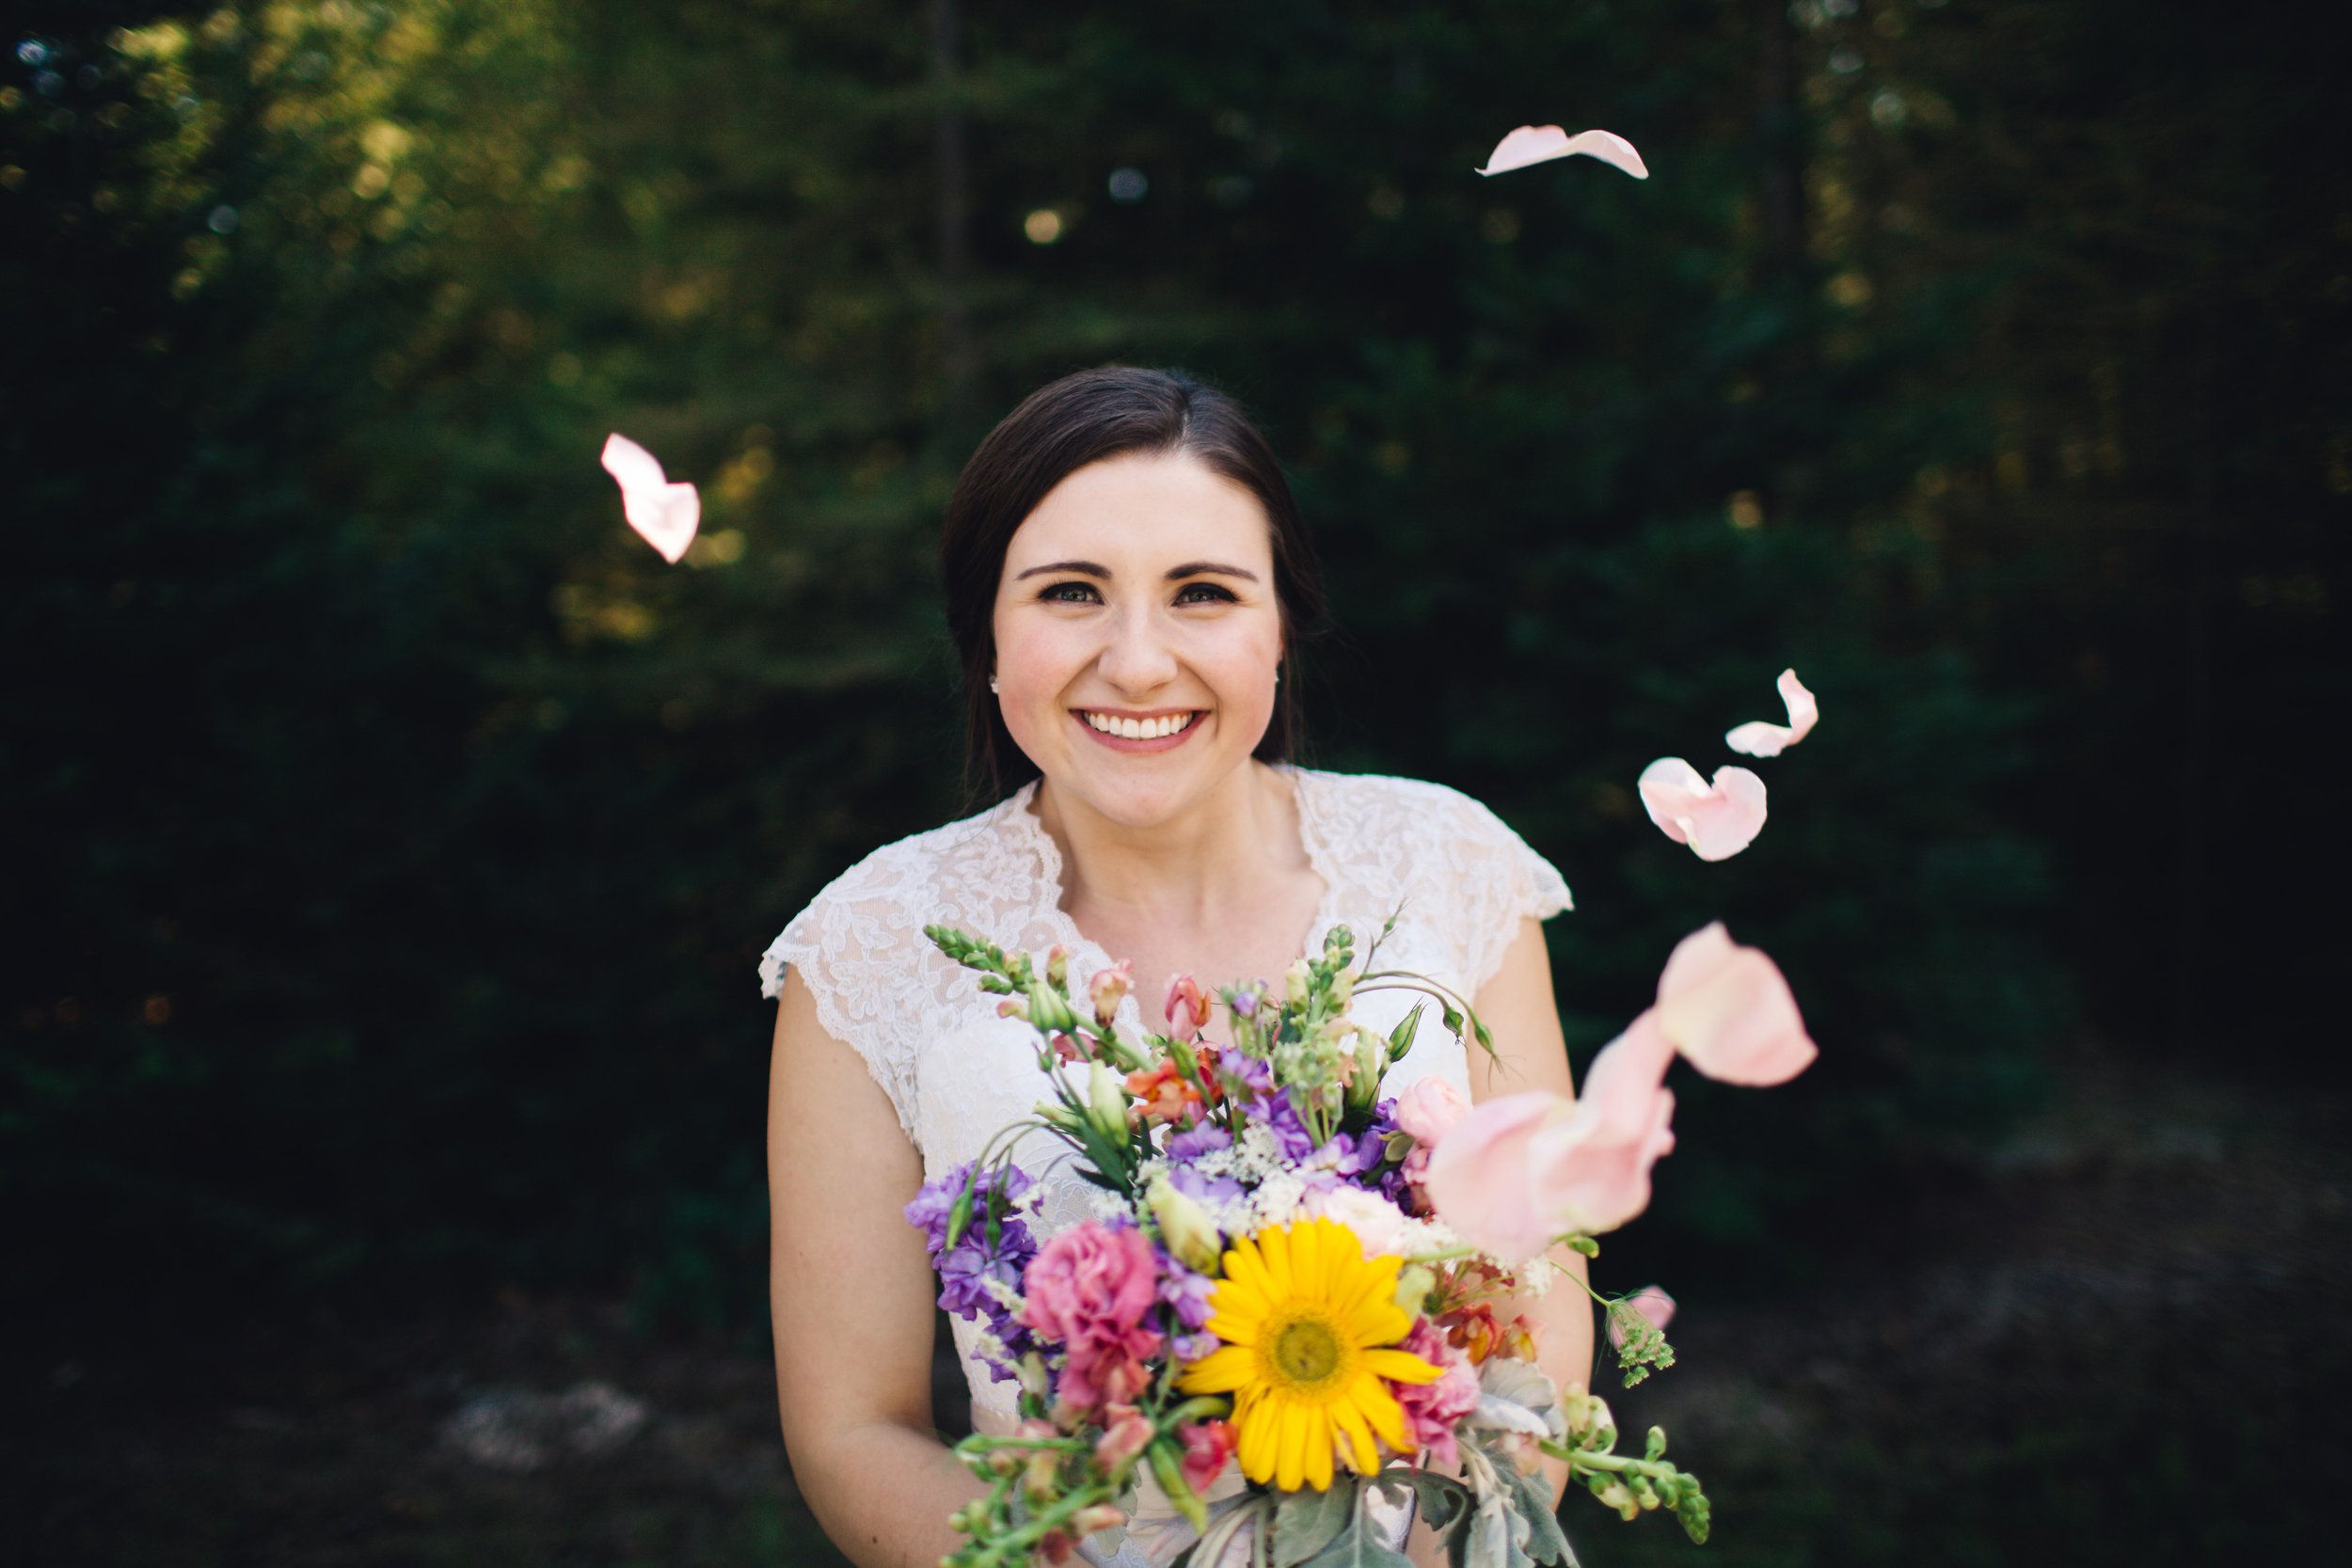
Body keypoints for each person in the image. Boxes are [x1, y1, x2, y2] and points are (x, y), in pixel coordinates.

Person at [764, 367, 1591, 1568]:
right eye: (1070, 593)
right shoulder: (866, 949)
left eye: (1202, 592)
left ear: (1281, 627)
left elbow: (1542, 1319)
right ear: (986, 635)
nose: (1138, 661)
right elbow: (853, 1426)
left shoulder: (1454, 871)